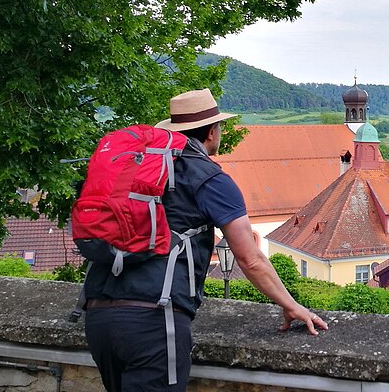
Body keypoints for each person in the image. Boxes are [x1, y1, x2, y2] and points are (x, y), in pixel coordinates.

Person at [82, 89, 328, 392]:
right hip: (154, 321)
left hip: (98, 314)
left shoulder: (139, 172)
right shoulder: (211, 179)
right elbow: (250, 258)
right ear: (213, 132)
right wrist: (291, 305)